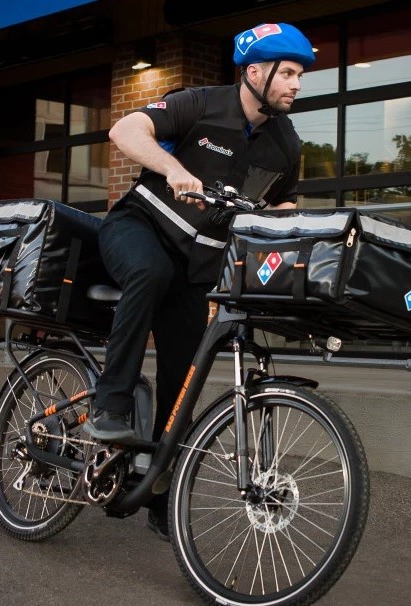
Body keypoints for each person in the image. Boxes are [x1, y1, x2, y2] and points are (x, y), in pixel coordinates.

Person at [81, 23, 315, 540]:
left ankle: (157, 491)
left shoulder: (286, 142)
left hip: (198, 268)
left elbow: (283, 202)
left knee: (183, 378)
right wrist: (172, 169)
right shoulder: (201, 103)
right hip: (137, 230)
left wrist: (286, 232)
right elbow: (124, 131)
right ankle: (110, 403)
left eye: (301, 75)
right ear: (256, 72)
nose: (297, 84)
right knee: (149, 271)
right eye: (290, 73)